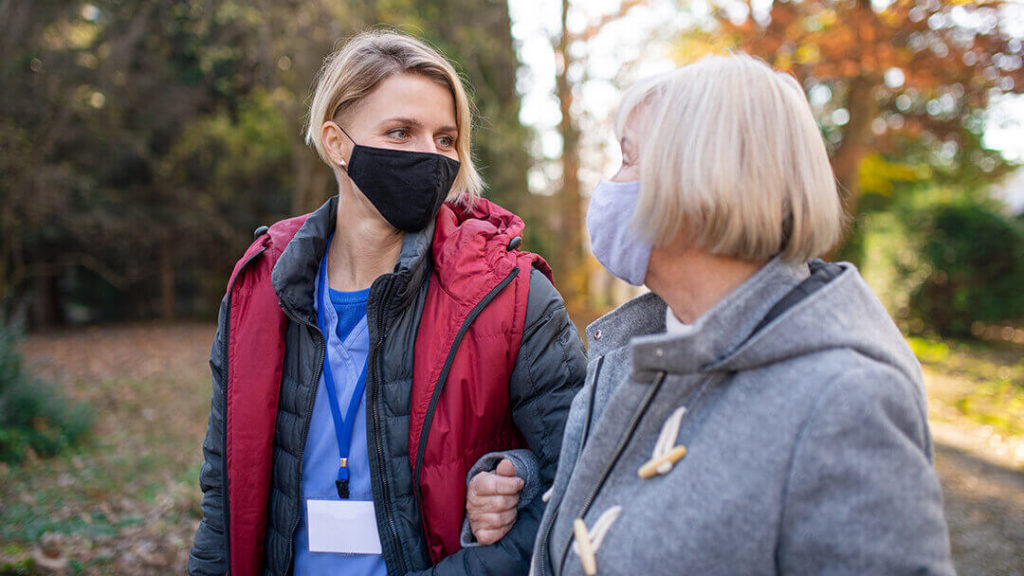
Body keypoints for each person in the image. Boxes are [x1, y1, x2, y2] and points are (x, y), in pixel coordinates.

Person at [487, 54, 955, 574]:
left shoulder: (846, 400)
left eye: (628, 159)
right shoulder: (627, 356)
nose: (610, 186)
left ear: (700, 183)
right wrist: (523, 481)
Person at [186, 30, 585, 576]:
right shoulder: (260, 288)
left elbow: (580, 481)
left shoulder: (513, 297)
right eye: (400, 132)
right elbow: (223, 494)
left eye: (445, 139)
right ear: (336, 142)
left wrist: (515, 473)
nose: (429, 154)